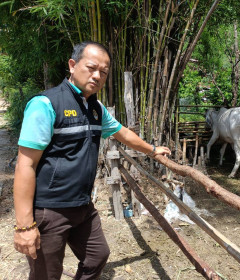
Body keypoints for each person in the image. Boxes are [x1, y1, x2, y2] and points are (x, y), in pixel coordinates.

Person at [13, 41, 171, 280]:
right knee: (46, 275)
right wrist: (24, 226)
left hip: (82, 206)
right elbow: (25, 164)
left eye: (104, 72)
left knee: (97, 256)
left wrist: (152, 150)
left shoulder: (95, 108)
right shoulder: (46, 104)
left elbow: (122, 133)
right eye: (91, 67)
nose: (97, 76)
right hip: (50, 209)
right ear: (73, 65)